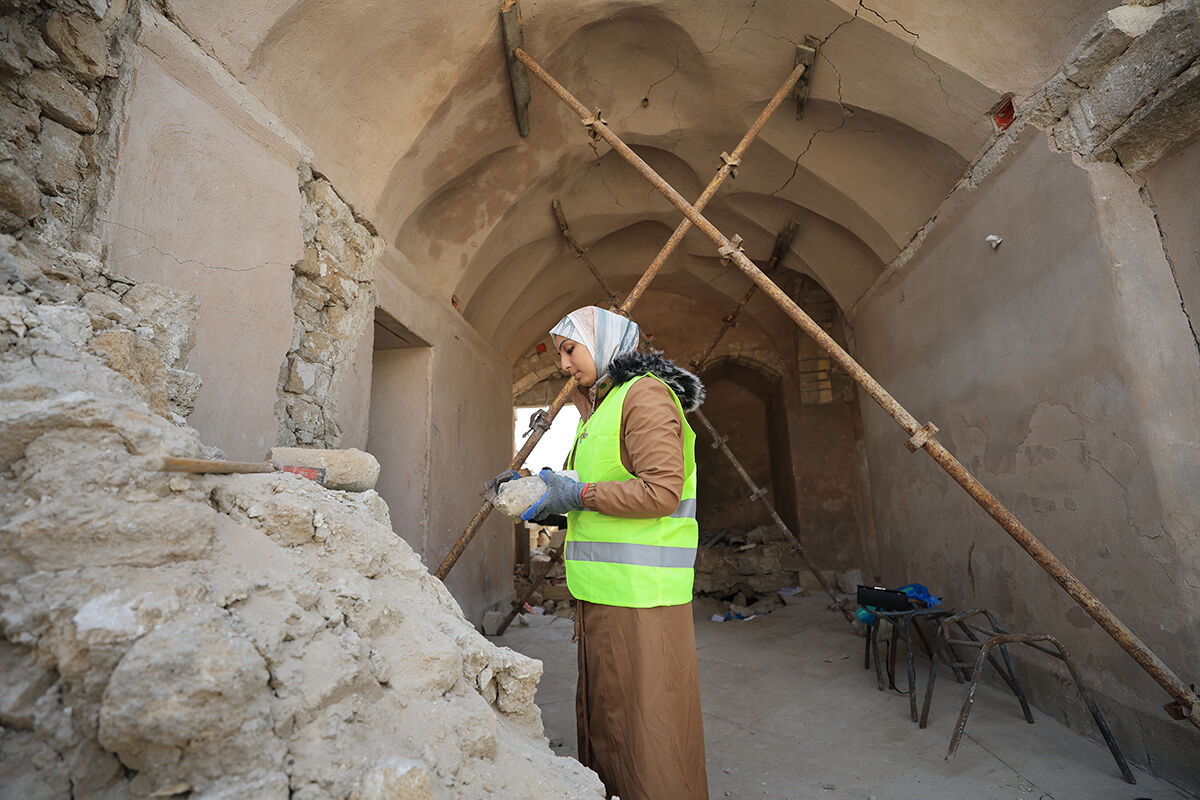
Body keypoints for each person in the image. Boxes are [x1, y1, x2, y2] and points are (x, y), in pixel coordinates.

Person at [519, 305, 708, 800]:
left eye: (570, 349)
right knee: (610, 721)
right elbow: (593, 493)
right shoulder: (602, 409)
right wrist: (534, 496)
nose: (563, 364)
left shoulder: (643, 396)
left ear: (603, 345)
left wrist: (576, 496)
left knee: (647, 734)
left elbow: (660, 493)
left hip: (643, 600)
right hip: (605, 594)